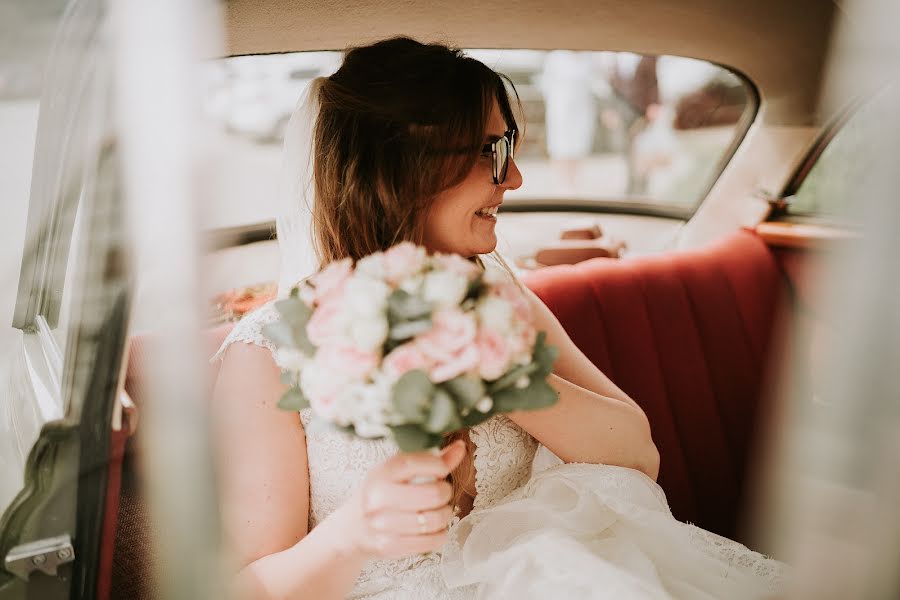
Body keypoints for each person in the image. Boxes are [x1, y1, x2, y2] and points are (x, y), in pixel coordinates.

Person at [212, 37, 784, 599]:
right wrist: (353, 532)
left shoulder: (495, 294)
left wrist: (496, 373)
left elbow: (638, 454)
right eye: (494, 151)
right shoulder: (270, 352)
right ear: (404, 170)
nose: (514, 179)